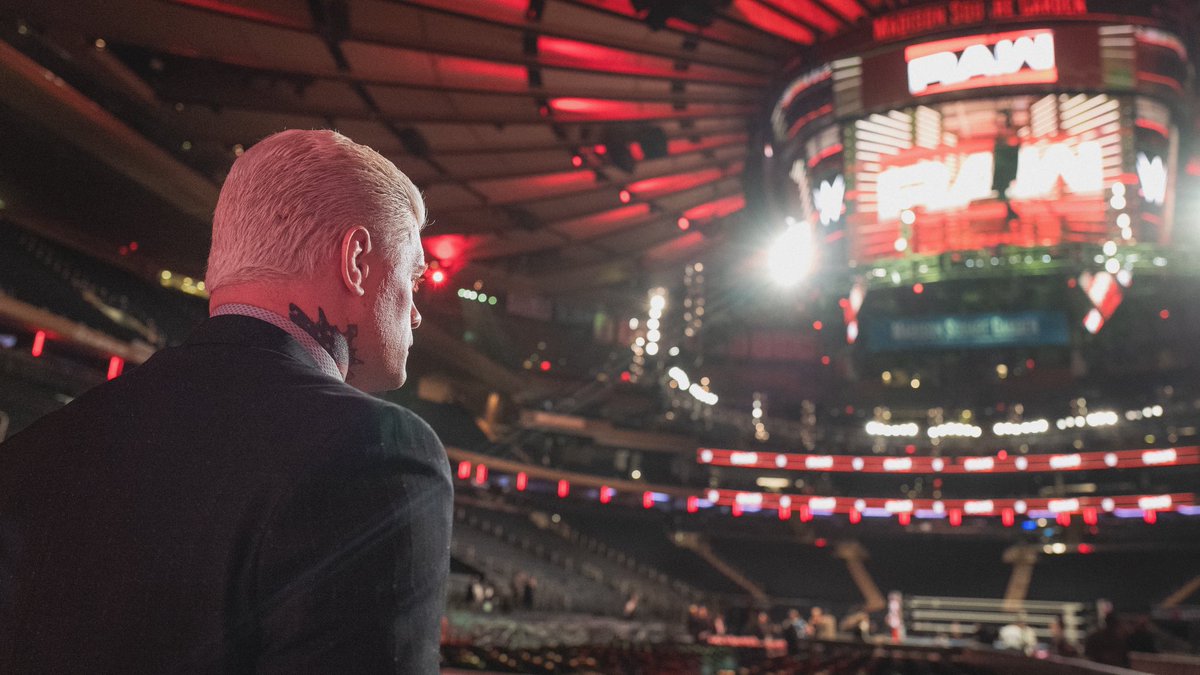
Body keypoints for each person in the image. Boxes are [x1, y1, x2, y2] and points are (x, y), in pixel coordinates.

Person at [0, 129, 452, 672]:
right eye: (415, 278)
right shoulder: (378, 454)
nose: (418, 313)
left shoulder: (32, 451)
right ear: (356, 260)